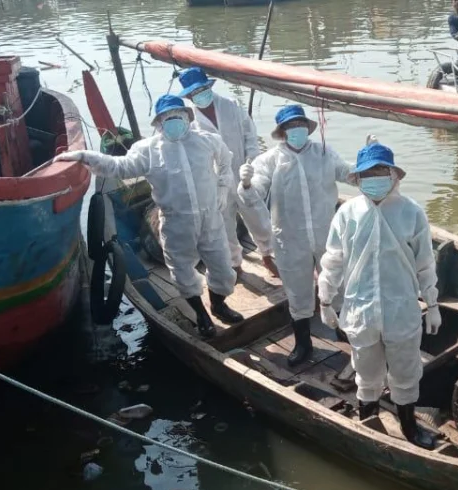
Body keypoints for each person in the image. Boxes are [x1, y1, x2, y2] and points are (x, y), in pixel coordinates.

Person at [57, 94, 243, 339]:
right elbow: (119, 167)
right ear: (158, 123)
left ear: (187, 117)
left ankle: (219, 304)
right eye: (167, 118)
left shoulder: (207, 141)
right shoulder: (148, 151)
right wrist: (85, 157)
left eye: (178, 116)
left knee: (224, 270)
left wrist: (222, 188)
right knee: (183, 273)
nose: (174, 121)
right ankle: (201, 314)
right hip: (176, 223)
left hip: (211, 220)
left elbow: (226, 161)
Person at [318, 143, 441, 449]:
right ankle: (367, 418)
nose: (374, 178)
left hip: (401, 309)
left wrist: (433, 303)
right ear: (358, 179)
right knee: (365, 369)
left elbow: (425, 263)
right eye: (367, 173)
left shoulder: (411, 212)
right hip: (360, 308)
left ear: (393, 174)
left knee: (405, 370)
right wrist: (324, 298)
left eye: (380, 171)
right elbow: (333, 259)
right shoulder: (348, 213)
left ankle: (410, 427)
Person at [236, 104, 355, 367]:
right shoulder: (269, 160)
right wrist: (245, 183)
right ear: (282, 132)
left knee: (337, 282)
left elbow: (347, 173)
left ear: (307, 126)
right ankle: (303, 343)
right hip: (289, 237)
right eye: (290, 126)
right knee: (298, 291)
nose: (296, 130)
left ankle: (344, 330)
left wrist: (369, 167)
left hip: (327, 232)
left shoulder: (323, 151)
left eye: (299, 124)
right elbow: (254, 193)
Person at [177, 67, 260, 271]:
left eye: (202, 89)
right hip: (215, 182)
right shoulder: (189, 122)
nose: (200, 95)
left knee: (258, 216)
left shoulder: (230, 105)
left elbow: (250, 134)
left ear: (209, 87)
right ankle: (235, 263)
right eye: (194, 93)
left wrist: (251, 161)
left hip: (243, 172)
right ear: (188, 96)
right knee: (225, 225)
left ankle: (267, 252)